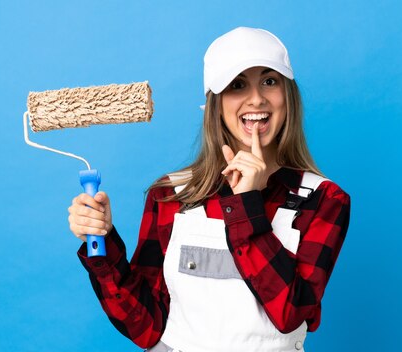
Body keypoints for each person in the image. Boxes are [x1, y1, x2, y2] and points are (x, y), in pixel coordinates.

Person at [67, 27, 351, 352]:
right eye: (237, 85)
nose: (256, 98)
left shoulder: (323, 199)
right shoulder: (170, 195)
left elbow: (291, 313)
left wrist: (247, 205)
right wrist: (100, 240)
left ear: (289, 98)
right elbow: (144, 326)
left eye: (270, 81)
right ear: (214, 105)